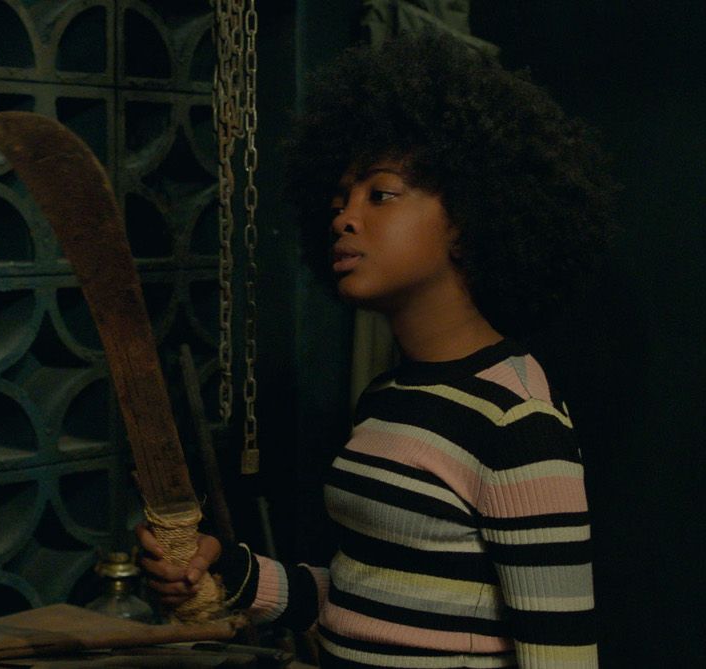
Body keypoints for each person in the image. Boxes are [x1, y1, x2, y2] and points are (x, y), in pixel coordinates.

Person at [136, 31, 614, 669]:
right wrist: (231, 574)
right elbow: (366, 594)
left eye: (380, 195)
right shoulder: (389, 398)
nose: (344, 218)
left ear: (468, 219)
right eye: (340, 202)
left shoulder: (517, 423)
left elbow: (562, 656)